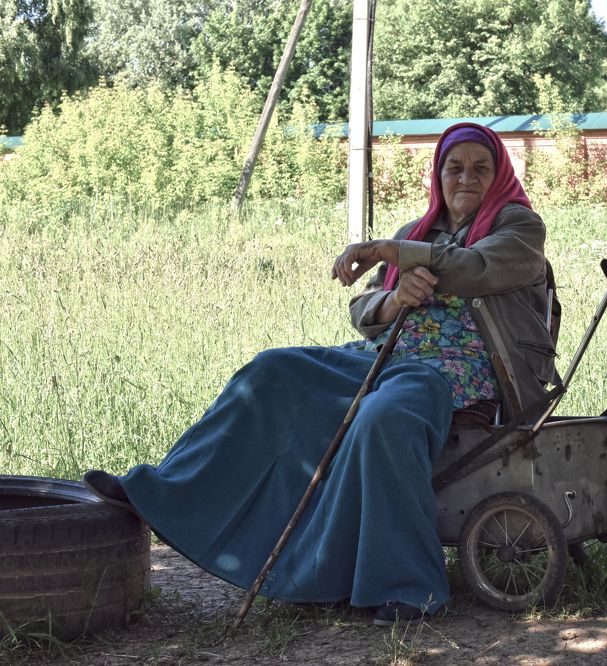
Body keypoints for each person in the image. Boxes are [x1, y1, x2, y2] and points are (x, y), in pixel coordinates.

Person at [83, 122, 558, 627]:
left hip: (459, 370)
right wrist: (395, 297)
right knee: (271, 373)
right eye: (454, 168)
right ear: (437, 176)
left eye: (480, 168)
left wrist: (391, 253)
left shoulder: (520, 228)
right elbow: (363, 308)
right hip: (385, 356)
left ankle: (406, 587)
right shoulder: (417, 233)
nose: (466, 178)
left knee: (383, 416)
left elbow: (477, 268)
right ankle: (160, 493)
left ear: (500, 173)